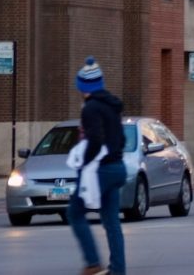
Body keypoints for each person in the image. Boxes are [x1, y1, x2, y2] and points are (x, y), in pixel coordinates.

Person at [68, 57, 126, 275]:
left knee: (74, 212)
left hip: (100, 170)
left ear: (83, 86)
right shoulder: (113, 106)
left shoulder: (90, 108)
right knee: (112, 223)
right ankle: (118, 270)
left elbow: (95, 139)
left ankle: (92, 262)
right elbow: (120, 140)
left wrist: (84, 162)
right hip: (118, 167)